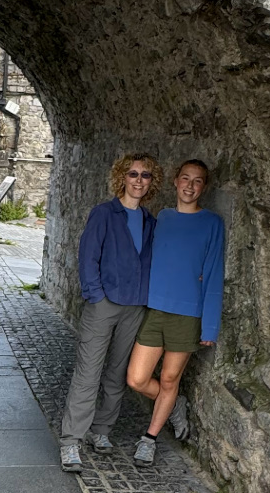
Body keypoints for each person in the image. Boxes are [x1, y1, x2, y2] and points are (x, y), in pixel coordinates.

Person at [60, 152, 161, 473]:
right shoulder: (104, 214)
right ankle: (70, 440)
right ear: (122, 177)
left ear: (151, 182)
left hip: (135, 307)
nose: (138, 180)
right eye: (133, 174)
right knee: (88, 372)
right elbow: (88, 256)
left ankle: (101, 431)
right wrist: (96, 295)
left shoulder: (150, 222)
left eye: (145, 175)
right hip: (103, 304)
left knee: (117, 374)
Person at [126, 160, 224, 467]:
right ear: (175, 182)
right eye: (185, 179)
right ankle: (173, 403)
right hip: (155, 310)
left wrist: (209, 327)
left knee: (169, 378)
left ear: (203, 187)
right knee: (137, 379)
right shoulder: (163, 218)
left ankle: (149, 439)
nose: (190, 186)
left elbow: (213, 274)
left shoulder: (212, 223)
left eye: (197, 181)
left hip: (188, 315)